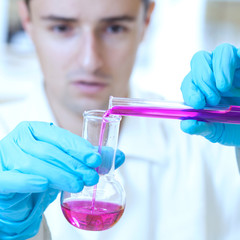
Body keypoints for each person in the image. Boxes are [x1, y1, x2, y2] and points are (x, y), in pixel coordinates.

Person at [0, 1, 240, 240]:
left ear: (146, 20)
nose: (90, 61)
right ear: (27, 19)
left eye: (115, 28)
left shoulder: (208, 147)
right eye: (62, 28)